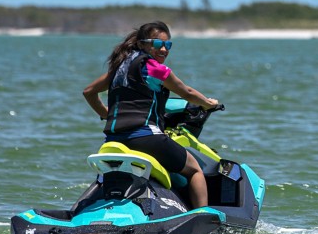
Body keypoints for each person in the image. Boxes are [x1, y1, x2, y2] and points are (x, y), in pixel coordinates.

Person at [82, 21, 219, 209]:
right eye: (157, 44)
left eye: (167, 44)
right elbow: (186, 92)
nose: (163, 49)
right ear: (142, 44)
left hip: (114, 139)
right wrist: (208, 103)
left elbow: (89, 92)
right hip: (145, 137)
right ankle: (203, 217)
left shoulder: (119, 67)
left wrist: (107, 115)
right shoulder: (154, 68)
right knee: (194, 170)